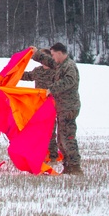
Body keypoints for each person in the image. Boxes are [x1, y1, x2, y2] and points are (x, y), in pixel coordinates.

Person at [31, 42, 82, 175]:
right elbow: (47, 61)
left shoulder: (69, 66)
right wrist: (36, 53)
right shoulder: (60, 65)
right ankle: (68, 166)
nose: (52, 58)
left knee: (67, 138)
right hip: (62, 107)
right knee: (61, 140)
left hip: (69, 108)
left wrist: (51, 89)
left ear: (59, 53)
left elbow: (69, 81)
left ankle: (75, 167)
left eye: (53, 54)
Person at [20, 49, 60, 163]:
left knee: (51, 131)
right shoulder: (37, 71)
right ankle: (39, 154)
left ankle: (53, 156)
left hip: (51, 105)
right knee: (37, 131)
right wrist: (13, 73)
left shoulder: (55, 72)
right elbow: (27, 76)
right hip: (38, 105)